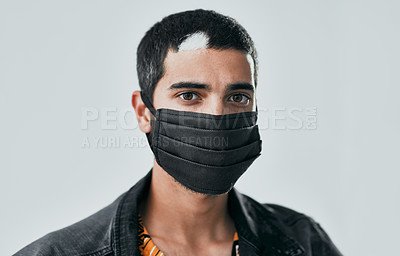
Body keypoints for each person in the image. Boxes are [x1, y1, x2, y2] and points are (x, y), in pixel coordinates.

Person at [14, 9, 342, 256]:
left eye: (238, 97)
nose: (216, 115)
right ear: (144, 112)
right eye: (189, 96)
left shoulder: (304, 242)